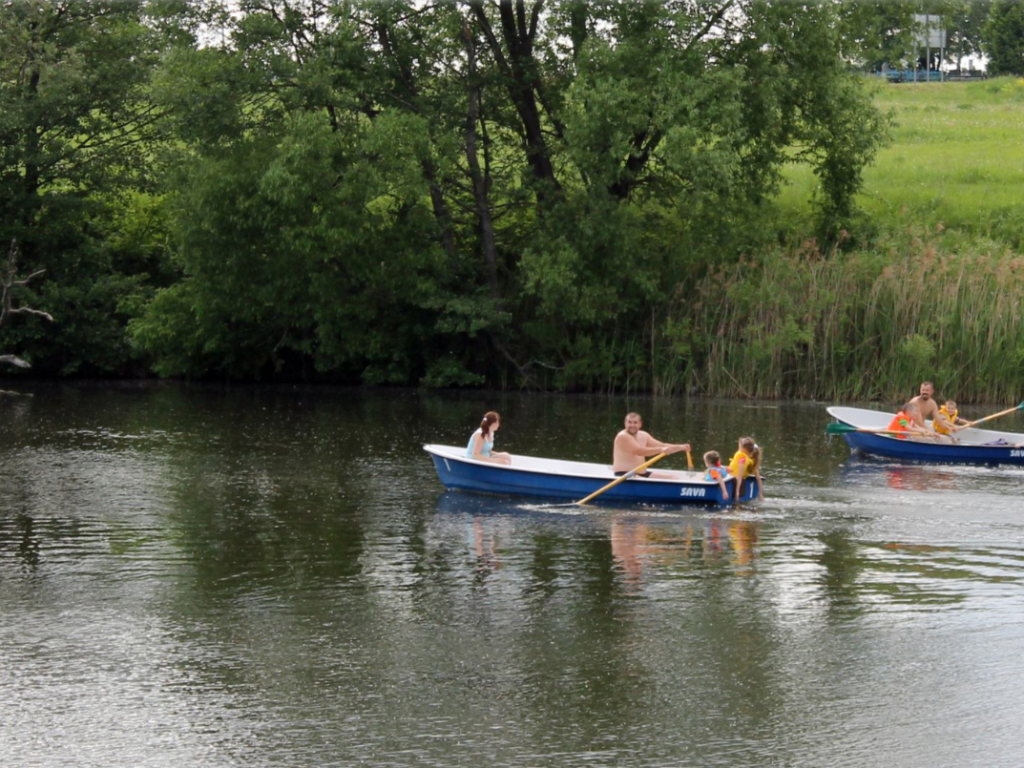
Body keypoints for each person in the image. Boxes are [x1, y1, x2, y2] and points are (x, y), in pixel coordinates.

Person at [612, 412, 690, 479]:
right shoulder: (623, 436)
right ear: (625, 423)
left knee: (672, 478)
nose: (632, 425)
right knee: (640, 479)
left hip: (642, 473)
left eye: (635, 422)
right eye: (629, 422)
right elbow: (640, 451)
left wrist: (681, 447)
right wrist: (661, 450)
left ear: (640, 424)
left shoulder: (644, 435)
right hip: (624, 475)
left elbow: (663, 445)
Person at [727, 437, 764, 501]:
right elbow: (758, 479)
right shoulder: (750, 461)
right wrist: (760, 494)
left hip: (734, 481)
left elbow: (740, 476)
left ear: (743, 449)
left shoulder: (742, 459)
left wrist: (737, 492)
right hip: (732, 476)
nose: (738, 448)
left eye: (739, 446)